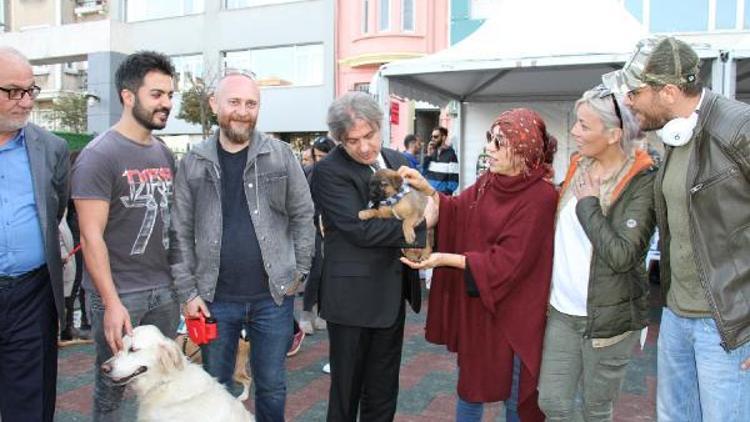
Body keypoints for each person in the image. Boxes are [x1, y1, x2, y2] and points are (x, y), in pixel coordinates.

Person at [603, 35, 750, 422]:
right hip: (677, 315)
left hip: (728, 325)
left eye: (635, 92)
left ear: (668, 91)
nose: (629, 101)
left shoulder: (738, 128)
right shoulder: (674, 136)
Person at [170, 69, 314, 420]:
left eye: (251, 103)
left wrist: (300, 271)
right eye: (234, 101)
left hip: (274, 298)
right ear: (214, 103)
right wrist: (188, 293)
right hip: (214, 300)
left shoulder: (281, 156)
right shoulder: (192, 163)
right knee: (213, 390)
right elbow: (178, 232)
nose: (243, 111)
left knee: (272, 386)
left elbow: (303, 215)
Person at [399, 108, 557, 422]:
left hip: (515, 313)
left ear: (523, 149)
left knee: (515, 397)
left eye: (499, 143)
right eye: (490, 140)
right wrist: (428, 188)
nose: (489, 149)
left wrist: (443, 259)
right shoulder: (490, 181)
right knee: (469, 389)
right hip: (480, 303)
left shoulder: (540, 196)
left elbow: (509, 262)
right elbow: (459, 210)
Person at [72, 51, 180, 421]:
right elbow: (90, 236)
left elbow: (174, 226)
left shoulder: (165, 154)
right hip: (120, 296)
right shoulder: (98, 156)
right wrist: (111, 302)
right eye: (157, 94)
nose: (166, 103)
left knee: (164, 386)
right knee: (112, 392)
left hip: (163, 291)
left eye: (169, 94)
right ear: (128, 96)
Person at [537, 86, 656, 421]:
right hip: (562, 311)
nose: (574, 131)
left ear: (614, 134)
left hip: (608, 320)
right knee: (553, 403)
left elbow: (621, 255)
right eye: (576, 122)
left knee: (596, 409)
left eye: (585, 126)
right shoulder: (578, 164)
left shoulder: (642, 181)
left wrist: (589, 204)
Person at [311, 92, 425, 421]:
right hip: (351, 302)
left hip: (391, 296)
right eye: (352, 140)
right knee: (346, 395)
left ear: (381, 126)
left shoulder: (393, 159)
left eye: (369, 136)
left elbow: (419, 203)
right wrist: (420, 227)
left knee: (383, 391)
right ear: (339, 140)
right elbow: (358, 229)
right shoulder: (329, 171)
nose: (363, 147)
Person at [0, 46, 69, 422]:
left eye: (31, 91)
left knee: (28, 404)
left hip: (32, 294)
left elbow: (54, 212)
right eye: (13, 91)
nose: (25, 102)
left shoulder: (52, 148)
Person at [299, 135, 336, 335]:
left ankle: (323, 312)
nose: (320, 159)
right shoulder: (309, 172)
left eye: (324, 155)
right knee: (317, 268)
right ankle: (306, 312)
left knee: (329, 271)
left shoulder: (339, 174)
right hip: (312, 226)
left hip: (333, 227)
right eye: (317, 156)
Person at [422, 126, 459, 195]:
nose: (433, 139)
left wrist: (444, 195)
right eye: (432, 137)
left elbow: (454, 181)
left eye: (436, 137)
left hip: (442, 198)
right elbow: (423, 173)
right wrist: (428, 155)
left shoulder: (451, 155)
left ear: (443, 137)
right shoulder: (431, 153)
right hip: (429, 196)